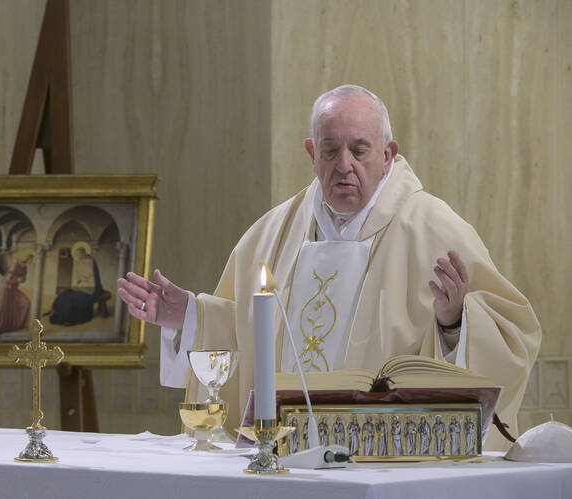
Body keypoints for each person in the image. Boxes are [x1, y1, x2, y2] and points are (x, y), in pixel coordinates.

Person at [118, 84, 541, 450]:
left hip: (384, 457)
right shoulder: (274, 231)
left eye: (359, 150)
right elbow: (249, 331)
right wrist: (189, 315)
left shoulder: (433, 228)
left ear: (388, 154)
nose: (344, 165)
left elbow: (514, 337)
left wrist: (454, 323)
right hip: (285, 454)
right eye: (330, 150)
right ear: (311, 153)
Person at [0, 252, 33, 334]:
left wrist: (21, 279)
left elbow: (23, 279)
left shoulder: (24, 267)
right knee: (3, 307)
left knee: (26, 303)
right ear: (25, 257)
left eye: (31, 258)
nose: (30, 260)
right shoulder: (15, 265)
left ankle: (17, 325)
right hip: (6, 288)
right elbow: (7, 279)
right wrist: (17, 279)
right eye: (29, 258)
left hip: (14, 289)